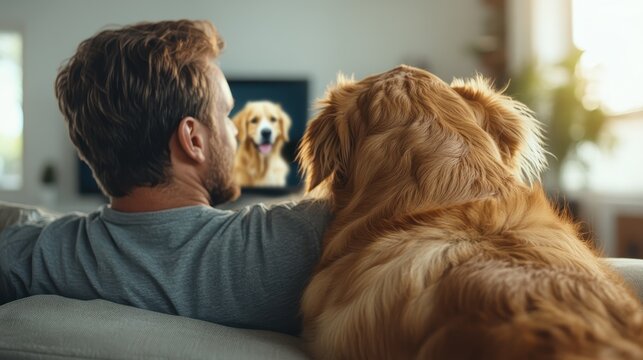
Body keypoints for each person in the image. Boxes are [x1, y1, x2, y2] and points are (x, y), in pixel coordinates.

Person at [0, 20, 330, 336]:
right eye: (226, 113)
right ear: (194, 140)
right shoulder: (306, 240)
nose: (234, 131)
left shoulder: (35, 256)